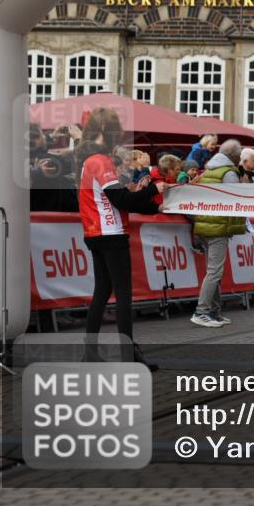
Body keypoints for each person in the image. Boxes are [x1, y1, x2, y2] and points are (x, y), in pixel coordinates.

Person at [75, 108, 166, 366]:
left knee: (102, 292)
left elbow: (118, 199)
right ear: (106, 130)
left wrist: (154, 206)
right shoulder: (101, 160)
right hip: (110, 233)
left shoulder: (88, 159)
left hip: (95, 232)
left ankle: (90, 353)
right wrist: (152, 190)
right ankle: (128, 355)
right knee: (123, 294)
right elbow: (120, 200)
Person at [191, 139, 247, 328]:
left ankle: (214, 312)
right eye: (239, 155)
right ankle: (202, 311)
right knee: (214, 272)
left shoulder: (209, 170)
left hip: (205, 224)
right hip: (218, 226)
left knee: (213, 271)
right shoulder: (229, 173)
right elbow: (235, 198)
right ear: (235, 156)